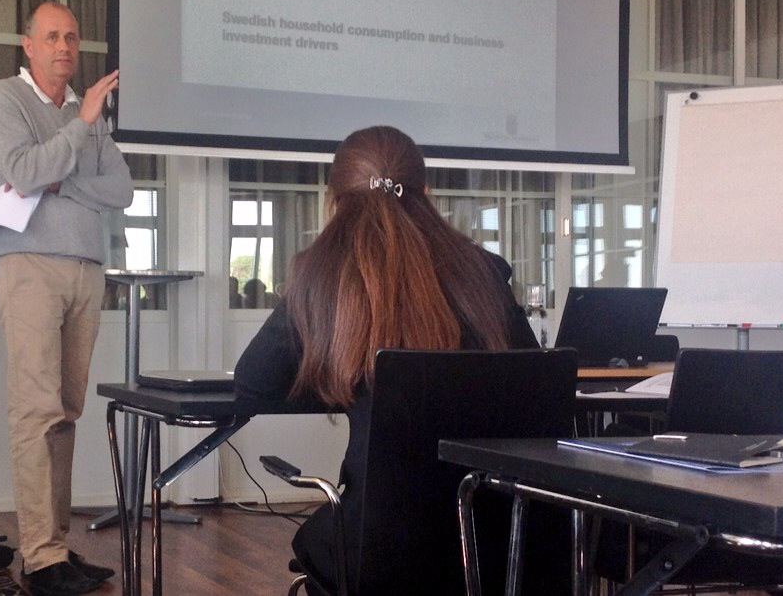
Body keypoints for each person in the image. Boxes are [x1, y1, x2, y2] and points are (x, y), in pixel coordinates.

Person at [234, 125, 550, 592]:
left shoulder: (320, 274)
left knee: (324, 541)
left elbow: (253, 383)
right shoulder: (484, 271)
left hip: (382, 546)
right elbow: (535, 383)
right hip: (502, 539)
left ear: (333, 200)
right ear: (426, 192)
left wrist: (341, 379)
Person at [0, 1, 133, 596]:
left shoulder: (81, 110)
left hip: (86, 270)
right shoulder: (4, 99)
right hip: (31, 267)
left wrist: (60, 180)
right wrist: (81, 125)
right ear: (29, 45)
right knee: (36, 410)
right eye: (52, 37)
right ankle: (40, 558)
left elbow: (121, 189)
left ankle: (57, 548)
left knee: (66, 411)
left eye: (72, 36)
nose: (65, 46)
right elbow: (21, 170)